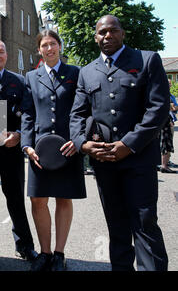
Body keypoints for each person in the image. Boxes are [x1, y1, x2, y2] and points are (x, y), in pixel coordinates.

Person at [70, 15, 169, 271]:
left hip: (138, 159)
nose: (107, 36)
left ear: (122, 33)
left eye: (113, 30)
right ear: (95, 37)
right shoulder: (87, 71)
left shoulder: (146, 60)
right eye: (102, 32)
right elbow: (77, 115)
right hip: (104, 164)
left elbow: (157, 110)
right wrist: (83, 144)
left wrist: (129, 144)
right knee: (117, 226)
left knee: (144, 223)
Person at [21, 30, 86, 271]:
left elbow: (83, 110)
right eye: (45, 45)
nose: (49, 49)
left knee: (63, 198)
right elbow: (28, 113)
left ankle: (59, 254)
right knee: (38, 199)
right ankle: (45, 253)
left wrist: (78, 140)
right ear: (39, 49)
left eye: (53, 44)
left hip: (68, 148)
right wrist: (26, 145)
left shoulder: (75, 73)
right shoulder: (31, 76)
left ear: (60, 46)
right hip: (40, 150)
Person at [0, 39, 37, 262]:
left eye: (1, 52)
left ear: (7, 55)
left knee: (15, 201)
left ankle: (24, 246)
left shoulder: (19, 81)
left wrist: (21, 135)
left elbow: (28, 112)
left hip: (11, 152)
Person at [159, 79, 177, 173]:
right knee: (165, 144)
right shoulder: (163, 94)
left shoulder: (166, 94)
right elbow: (166, 108)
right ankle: (164, 165)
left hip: (166, 121)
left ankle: (165, 164)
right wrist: (169, 120)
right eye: (168, 84)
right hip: (165, 123)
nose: (170, 85)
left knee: (166, 144)